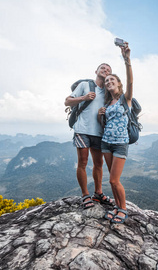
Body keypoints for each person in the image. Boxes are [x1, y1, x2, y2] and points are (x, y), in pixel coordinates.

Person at [64, 63, 114, 209]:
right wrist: (84, 98)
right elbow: (67, 101)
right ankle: (85, 195)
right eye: (103, 68)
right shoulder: (85, 85)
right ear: (96, 71)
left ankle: (98, 193)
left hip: (99, 132)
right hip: (82, 130)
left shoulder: (108, 91)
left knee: (99, 164)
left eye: (109, 70)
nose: (106, 70)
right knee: (83, 163)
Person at [98, 42, 133, 224]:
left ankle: (123, 209)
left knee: (114, 180)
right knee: (111, 181)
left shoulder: (125, 100)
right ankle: (117, 207)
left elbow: (130, 81)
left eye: (112, 80)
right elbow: (103, 125)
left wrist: (127, 60)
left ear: (118, 84)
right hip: (106, 143)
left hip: (120, 143)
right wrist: (99, 115)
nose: (109, 81)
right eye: (107, 81)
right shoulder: (106, 105)